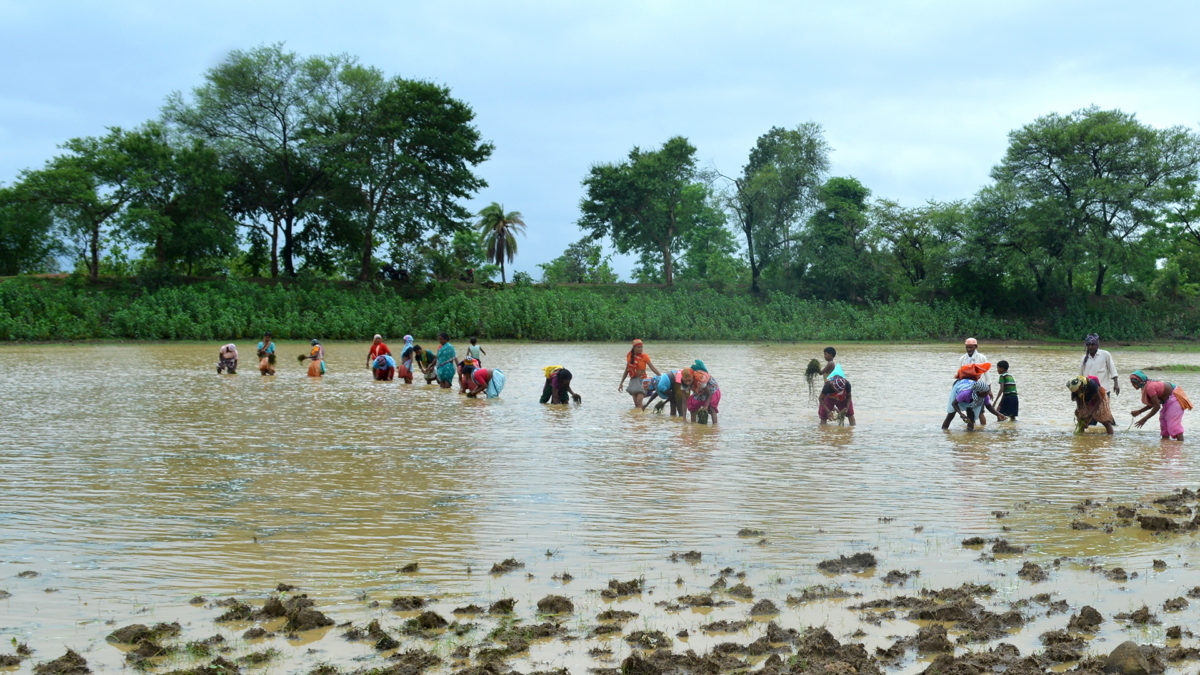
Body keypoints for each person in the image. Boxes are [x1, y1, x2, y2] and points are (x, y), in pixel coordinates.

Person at [1129, 370, 1193, 440]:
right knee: (1163, 423)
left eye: (1134, 383)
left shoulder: (1150, 387)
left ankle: (1180, 445)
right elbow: (1153, 404)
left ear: (1140, 381)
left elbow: (1157, 406)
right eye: (1132, 383)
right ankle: (1165, 445)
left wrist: (1144, 419)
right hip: (1167, 401)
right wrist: (1139, 411)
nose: (1133, 385)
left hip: (1175, 398)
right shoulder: (1145, 386)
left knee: (1173, 424)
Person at [942, 376, 1007, 431]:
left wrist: (998, 414)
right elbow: (954, 403)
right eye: (986, 392)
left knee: (971, 419)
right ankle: (944, 430)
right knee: (951, 415)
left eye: (987, 392)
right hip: (958, 390)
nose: (987, 394)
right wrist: (961, 414)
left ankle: (969, 433)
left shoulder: (985, 395)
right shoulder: (965, 393)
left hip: (972, 401)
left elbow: (989, 407)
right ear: (979, 392)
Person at [618, 339, 661, 408]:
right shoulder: (629, 356)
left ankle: (641, 417)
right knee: (636, 404)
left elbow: (652, 368)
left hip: (643, 381)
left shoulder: (645, 356)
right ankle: (639, 416)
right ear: (634, 348)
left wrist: (661, 376)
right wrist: (621, 383)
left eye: (641, 347)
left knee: (639, 402)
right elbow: (627, 370)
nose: (641, 349)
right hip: (633, 381)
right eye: (638, 347)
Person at [960, 338, 991, 425]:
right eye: (967, 347)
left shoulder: (982, 358)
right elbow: (960, 375)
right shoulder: (962, 359)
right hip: (967, 389)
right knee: (969, 410)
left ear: (976, 347)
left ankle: (982, 429)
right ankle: (972, 430)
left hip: (979, 389)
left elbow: (987, 375)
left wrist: (989, 390)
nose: (969, 349)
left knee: (981, 412)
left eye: (971, 347)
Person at [681, 360, 720, 424]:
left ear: (693, 377)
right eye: (685, 381)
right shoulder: (683, 383)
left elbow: (709, 394)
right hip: (699, 390)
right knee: (692, 407)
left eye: (689, 380)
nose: (687, 383)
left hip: (711, 389)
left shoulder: (700, 379)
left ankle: (715, 427)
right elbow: (684, 400)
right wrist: (684, 418)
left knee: (712, 408)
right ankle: (694, 425)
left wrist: (705, 407)